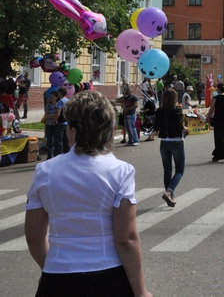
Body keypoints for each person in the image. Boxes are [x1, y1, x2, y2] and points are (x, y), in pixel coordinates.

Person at [24, 90, 152, 297]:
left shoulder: (45, 171)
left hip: (57, 277)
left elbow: (34, 238)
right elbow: (126, 239)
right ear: (109, 128)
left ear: (72, 129)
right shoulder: (120, 171)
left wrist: (52, 267)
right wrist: (141, 292)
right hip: (108, 274)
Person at [153, 88, 188, 208]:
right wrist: (186, 129)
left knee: (167, 171)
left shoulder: (159, 111)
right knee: (179, 170)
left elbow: (156, 126)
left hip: (164, 143)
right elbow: (179, 127)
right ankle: (169, 192)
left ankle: (171, 197)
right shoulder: (176, 111)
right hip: (176, 142)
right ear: (175, 99)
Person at [207, 82, 224, 163]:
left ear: (219, 89)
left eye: (217, 88)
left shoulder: (215, 98)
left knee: (219, 137)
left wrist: (208, 117)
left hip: (218, 118)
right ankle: (217, 155)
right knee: (222, 137)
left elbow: (211, 109)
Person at [43, 91, 59, 160]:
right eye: (50, 97)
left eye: (52, 97)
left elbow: (57, 115)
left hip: (56, 124)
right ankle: (49, 156)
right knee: (49, 141)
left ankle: (55, 156)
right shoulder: (48, 106)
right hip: (48, 124)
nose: (51, 98)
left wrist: (52, 115)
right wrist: (53, 115)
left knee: (56, 140)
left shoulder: (58, 105)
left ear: (56, 98)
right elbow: (46, 116)